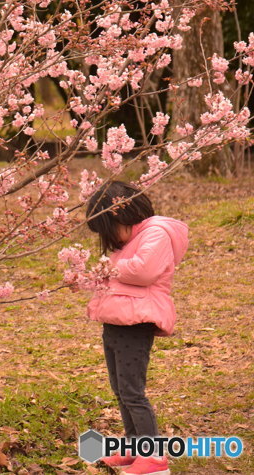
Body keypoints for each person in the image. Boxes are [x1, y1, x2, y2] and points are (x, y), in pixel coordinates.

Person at [84, 181, 188, 475]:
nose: (108, 238)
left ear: (122, 215)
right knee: (119, 388)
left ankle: (153, 458)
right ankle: (134, 447)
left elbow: (143, 271)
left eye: (107, 228)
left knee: (132, 391)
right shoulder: (129, 242)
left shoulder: (156, 233)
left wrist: (109, 268)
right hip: (116, 321)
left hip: (136, 321)